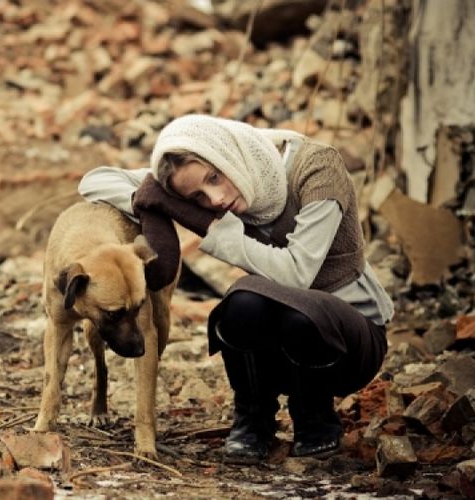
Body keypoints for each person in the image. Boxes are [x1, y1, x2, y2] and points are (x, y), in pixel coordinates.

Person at [77, 114, 393, 464]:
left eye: (214, 177)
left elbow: (298, 273)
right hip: (284, 353)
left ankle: (315, 420)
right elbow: (95, 181)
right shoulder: (212, 179)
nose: (214, 199)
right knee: (241, 305)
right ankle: (253, 422)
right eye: (197, 197)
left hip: (348, 347)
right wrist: (151, 201)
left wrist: (214, 231)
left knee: (268, 298)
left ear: (226, 153)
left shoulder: (317, 168)